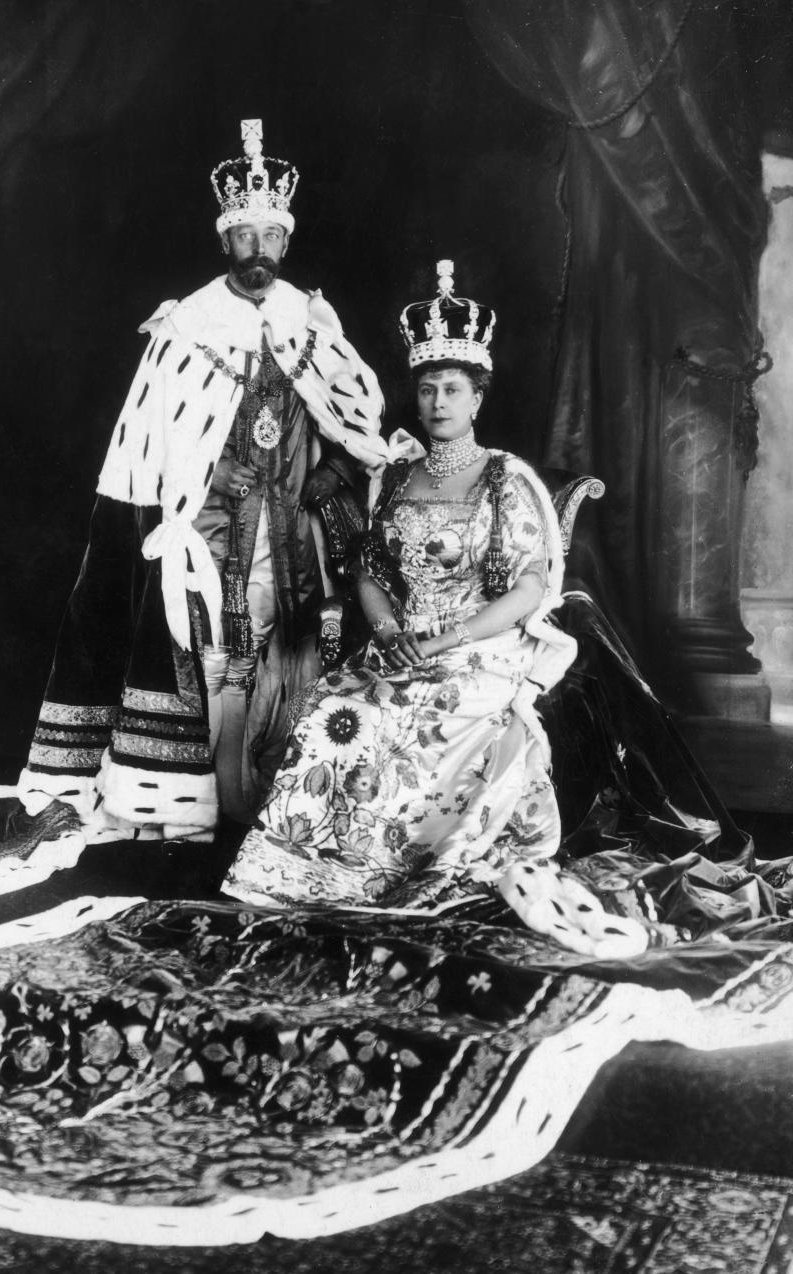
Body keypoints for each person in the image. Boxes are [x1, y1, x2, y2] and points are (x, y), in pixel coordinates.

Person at [223, 261, 649, 956]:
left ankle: (415, 870)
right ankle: (321, 869)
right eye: (427, 389)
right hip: (404, 637)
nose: (438, 401)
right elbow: (368, 570)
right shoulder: (397, 475)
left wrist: (444, 640)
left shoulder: (505, 478)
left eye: (452, 388)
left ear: (477, 398)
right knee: (342, 703)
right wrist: (390, 630)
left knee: (423, 709)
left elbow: (530, 589)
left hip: (481, 642)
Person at [16, 120, 386, 846]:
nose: (259, 252)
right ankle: (189, 806)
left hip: (290, 533)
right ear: (226, 240)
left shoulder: (308, 320)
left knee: (286, 651)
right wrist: (196, 487)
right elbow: (152, 439)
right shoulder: (187, 325)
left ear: (286, 238)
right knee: (208, 653)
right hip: (207, 525)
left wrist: (335, 470)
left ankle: (270, 800)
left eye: (270, 237)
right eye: (244, 237)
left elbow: (354, 422)